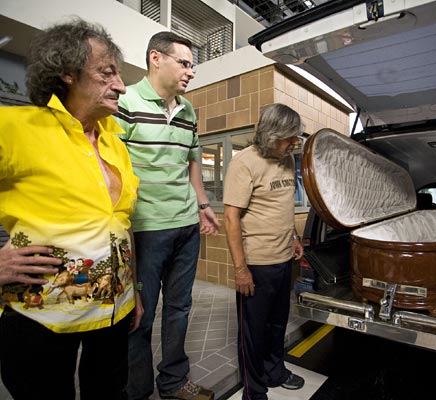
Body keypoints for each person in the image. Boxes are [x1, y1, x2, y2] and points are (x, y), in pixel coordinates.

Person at [0, 18, 142, 400]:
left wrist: (134, 290)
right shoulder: (13, 127)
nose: (122, 86)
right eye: (107, 73)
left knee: (110, 393)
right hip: (40, 318)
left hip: (115, 312)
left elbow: (120, 222)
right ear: (65, 72)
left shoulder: (116, 144)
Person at [114, 31, 219, 400]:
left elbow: (192, 161)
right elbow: (113, 166)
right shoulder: (125, 100)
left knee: (179, 309)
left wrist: (203, 206)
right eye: (185, 63)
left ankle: (173, 382)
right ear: (156, 58)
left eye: (193, 66)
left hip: (186, 226)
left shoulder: (188, 110)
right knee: (140, 315)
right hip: (145, 229)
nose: (191, 72)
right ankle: (137, 390)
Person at [223, 103, 306, 400]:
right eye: (290, 138)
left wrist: (294, 236)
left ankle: (275, 371)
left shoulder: (286, 159)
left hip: (283, 258)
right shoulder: (244, 163)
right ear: (273, 135)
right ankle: (253, 389)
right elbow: (230, 217)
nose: (295, 143)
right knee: (252, 331)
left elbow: (283, 206)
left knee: (276, 323)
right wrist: (241, 269)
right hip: (256, 263)